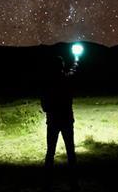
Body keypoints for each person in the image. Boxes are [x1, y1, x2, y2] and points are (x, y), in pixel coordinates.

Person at [40, 54, 79, 191]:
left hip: (53, 121)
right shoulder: (67, 80)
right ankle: (74, 181)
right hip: (67, 120)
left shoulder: (47, 83)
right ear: (62, 66)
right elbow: (73, 72)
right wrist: (76, 59)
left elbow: (44, 105)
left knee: (50, 151)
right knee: (70, 151)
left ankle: (47, 180)